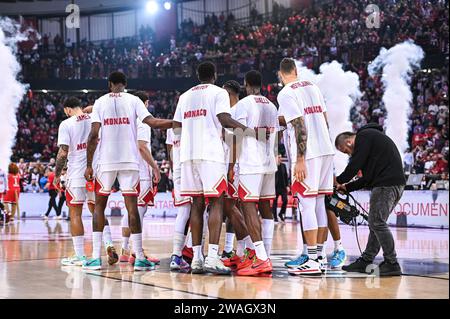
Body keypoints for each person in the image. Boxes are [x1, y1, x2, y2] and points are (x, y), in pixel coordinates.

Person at [83, 71, 172, 271]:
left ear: (109, 84)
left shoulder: (100, 102)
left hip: (106, 160)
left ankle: (96, 258)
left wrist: (89, 164)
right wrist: (176, 123)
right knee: (133, 208)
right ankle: (139, 257)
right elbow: (153, 122)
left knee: (99, 206)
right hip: (130, 160)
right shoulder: (134, 100)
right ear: (125, 84)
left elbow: (93, 136)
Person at [173, 61, 256, 274]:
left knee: (196, 205)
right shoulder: (218, 93)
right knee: (217, 203)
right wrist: (247, 130)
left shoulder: (184, 96)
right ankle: (212, 256)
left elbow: (176, 127)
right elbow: (224, 119)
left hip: (188, 155)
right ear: (215, 75)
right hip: (210, 154)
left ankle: (196, 259)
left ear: (197, 75)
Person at [277, 58, 334, 275]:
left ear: (281, 74)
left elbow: (299, 125)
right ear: (296, 70)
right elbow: (325, 119)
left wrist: (300, 158)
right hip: (325, 150)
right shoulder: (313, 86)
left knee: (306, 205)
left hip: (308, 155)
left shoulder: (286, 93)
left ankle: (310, 259)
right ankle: (320, 256)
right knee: (319, 203)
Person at [335, 123, 406, 276]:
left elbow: (354, 165)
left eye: (345, 151)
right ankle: (367, 260)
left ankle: (392, 263)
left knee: (377, 223)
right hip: (393, 183)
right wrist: (346, 187)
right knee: (376, 223)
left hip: (386, 185)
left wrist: (338, 180)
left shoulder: (364, 137)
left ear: (348, 142)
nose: (348, 154)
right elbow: (367, 178)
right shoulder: (371, 142)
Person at [55, 97, 115, 266]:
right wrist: (89, 109)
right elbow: (101, 106)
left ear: (67, 109)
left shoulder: (66, 124)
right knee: (98, 210)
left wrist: (57, 173)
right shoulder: (95, 117)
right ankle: (109, 243)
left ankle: (80, 256)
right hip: (97, 172)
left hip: (76, 174)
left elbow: (63, 152)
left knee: (75, 214)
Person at [231, 70, 278, 276]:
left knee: (248, 206)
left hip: (250, 161)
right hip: (269, 161)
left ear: (246, 83)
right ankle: (263, 254)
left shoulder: (244, 103)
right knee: (265, 207)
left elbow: (238, 134)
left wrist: (232, 164)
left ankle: (260, 257)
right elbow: (275, 135)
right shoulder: (271, 104)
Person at [119, 91, 161, 266]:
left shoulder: (126, 122)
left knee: (129, 211)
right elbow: (142, 147)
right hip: (141, 172)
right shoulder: (143, 122)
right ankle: (137, 251)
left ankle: (124, 249)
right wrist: (155, 167)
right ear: (146, 103)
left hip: (127, 168)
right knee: (138, 212)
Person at [221, 80, 254, 269]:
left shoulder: (234, 112)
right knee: (234, 208)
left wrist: (231, 167)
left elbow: (236, 140)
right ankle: (238, 252)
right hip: (238, 163)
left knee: (231, 207)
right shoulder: (240, 109)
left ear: (230, 93)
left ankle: (249, 249)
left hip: (235, 164)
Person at [166, 127, 192, 271]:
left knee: (183, 212)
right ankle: (194, 253)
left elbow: (170, 151)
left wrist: (173, 171)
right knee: (200, 212)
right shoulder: (194, 119)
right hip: (191, 167)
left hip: (177, 170)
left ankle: (176, 255)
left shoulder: (171, 126)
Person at [273, 154, 289, 223]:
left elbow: (286, 176)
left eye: (281, 157)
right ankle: (275, 217)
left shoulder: (284, 166)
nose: (280, 158)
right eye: (279, 157)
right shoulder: (273, 166)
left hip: (283, 187)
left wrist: (287, 185)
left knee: (285, 200)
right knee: (275, 203)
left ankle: (280, 213)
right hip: (275, 187)